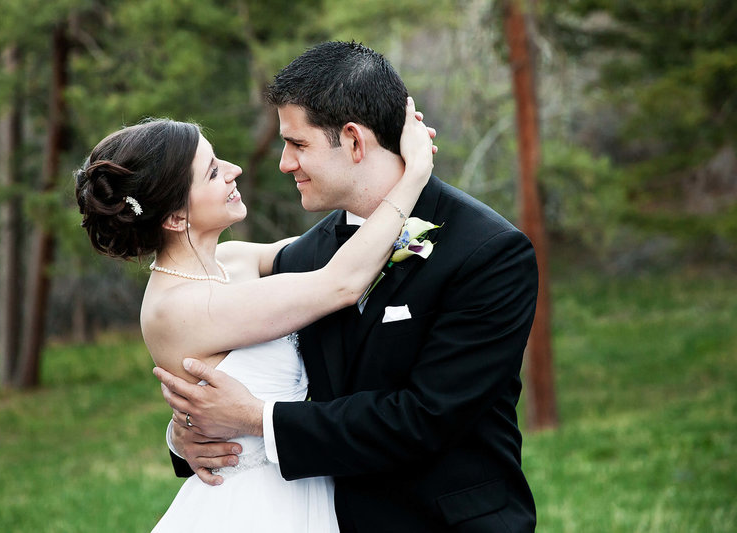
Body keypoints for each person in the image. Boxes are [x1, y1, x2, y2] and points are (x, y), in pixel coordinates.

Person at [156, 41, 539, 532]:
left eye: (297, 145)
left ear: (355, 142)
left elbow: (424, 418)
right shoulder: (309, 258)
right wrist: (185, 432)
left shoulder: (489, 253)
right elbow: (246, 370)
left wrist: (256, 418)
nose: (284, 164)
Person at [74, 99, 434, 531]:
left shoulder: (233, 259)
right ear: (174, 216)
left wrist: (371, 164)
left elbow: (331, 243)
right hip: (254, 508)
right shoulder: (180, 307)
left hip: (305, 486)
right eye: (211, 172)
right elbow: (340, 281)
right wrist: (414, 172)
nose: (233, 170)